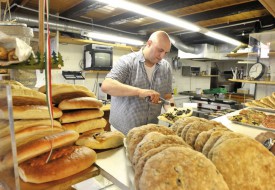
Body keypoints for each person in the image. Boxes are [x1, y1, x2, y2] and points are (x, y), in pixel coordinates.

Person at [101, 31, 174, 134]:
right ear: (149, 43)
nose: (162, 56)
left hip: (150, 131)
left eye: (166, 52)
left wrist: (173, 110)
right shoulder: (127, 62)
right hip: (123, 131)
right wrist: (139, 92)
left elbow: (168, 97)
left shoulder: (166, 67)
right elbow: (106, 85)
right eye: (160, 50)